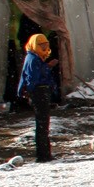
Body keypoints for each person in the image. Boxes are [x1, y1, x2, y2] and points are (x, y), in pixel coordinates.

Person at [19, 34, 59, 162]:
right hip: (40, 93)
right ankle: (43, 155)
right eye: (42, 45)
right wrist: (48, 67)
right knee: (42, 124)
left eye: (46, 45)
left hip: (41, 92)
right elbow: (33, 78)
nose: (45, 48)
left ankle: (45, 154)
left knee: (43, 124)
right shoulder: (33, 59)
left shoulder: (35, 57)